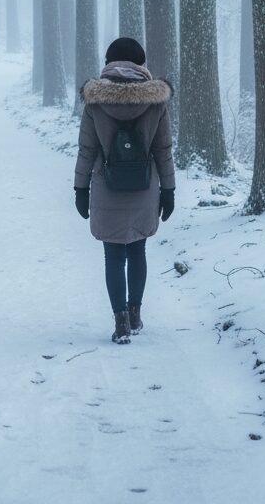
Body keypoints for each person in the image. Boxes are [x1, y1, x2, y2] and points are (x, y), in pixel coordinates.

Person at [73, 37, 175, 344]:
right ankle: (135, 313)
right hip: (144, 188)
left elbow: (86, 150)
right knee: (138, 251)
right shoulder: (156, 101)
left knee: (113, 255)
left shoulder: (95, 101)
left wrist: (80, 188)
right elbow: (163, 150)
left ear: (109, 63)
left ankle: (119, 320)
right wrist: (168, 190)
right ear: (141, 64)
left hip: (107, 187)